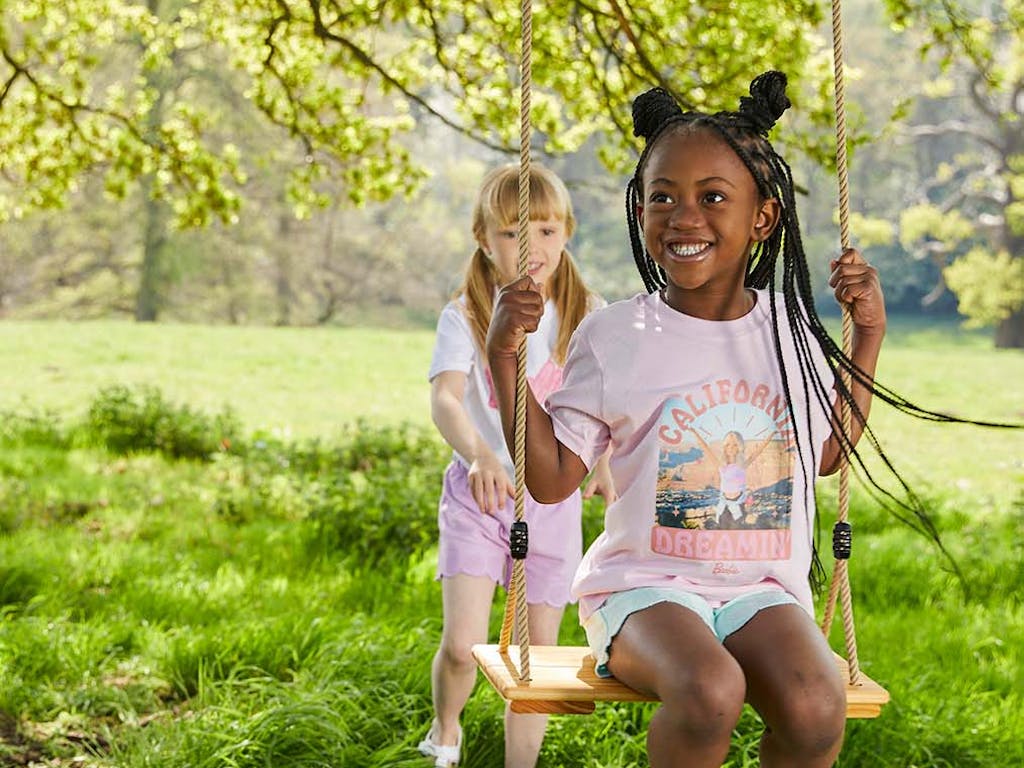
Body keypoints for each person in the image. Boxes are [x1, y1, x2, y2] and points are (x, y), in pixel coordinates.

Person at [485, 71, 982, 767]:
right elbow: (550, 479)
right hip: (642, 590)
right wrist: (505, 354)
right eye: (662, 198)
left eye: (712, 197)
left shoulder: (794, 332)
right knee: (710, 688)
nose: (683, 217)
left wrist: (867, 336)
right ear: (640, 211)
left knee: (817, 704)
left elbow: (827, 454)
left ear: (763, 217)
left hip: (762, 591)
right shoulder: (617, 335)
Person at [420, 162, 615, 768]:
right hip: (480, 495)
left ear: (568, 233)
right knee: (462, 645)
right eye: (512, 233)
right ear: (483, 238)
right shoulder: (468, 313)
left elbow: (608, 402)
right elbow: (446, 396)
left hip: (551, 500)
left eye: (548, 231)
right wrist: (478, 453)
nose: (532, 247)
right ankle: (445, 729)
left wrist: (602, 463)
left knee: (536, 661)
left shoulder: (588, 313)